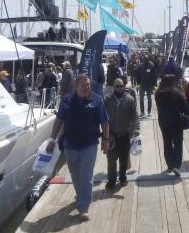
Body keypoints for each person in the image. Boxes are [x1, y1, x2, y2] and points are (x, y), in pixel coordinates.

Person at [45, 74, 110, 220]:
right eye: (83, 85)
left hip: (90, 144)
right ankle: (81, 194)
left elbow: (105, 121)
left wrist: (106, 140)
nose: (87, 87)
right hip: (70, 145)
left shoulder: (97, 99)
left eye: (88, 84)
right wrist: (52, 140)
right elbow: (59, 120)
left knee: (86, 175)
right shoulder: (67, 101)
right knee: (76, 175)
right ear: (76, 86)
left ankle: (83, 206)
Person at [104, 78, 139, 188]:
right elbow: (102, 117)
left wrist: (136, 129)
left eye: (121, 86)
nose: (119, 88)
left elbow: (135, 116)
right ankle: (111, 180)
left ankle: (123, 178)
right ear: (113, 87)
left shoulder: (130, 99)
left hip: (125, 134)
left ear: (124, 86)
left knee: (124, 159)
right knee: (111, 160)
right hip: (112, 135)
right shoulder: (107, 100)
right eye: (117, 86)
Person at [154, 75, 189, 176]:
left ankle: (170, 165)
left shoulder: (158, 94)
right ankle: (176, 165)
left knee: (167, 142)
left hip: (163, 122)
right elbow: (185, 108)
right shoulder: (177, 93)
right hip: (176, 121)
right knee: (178, 143)